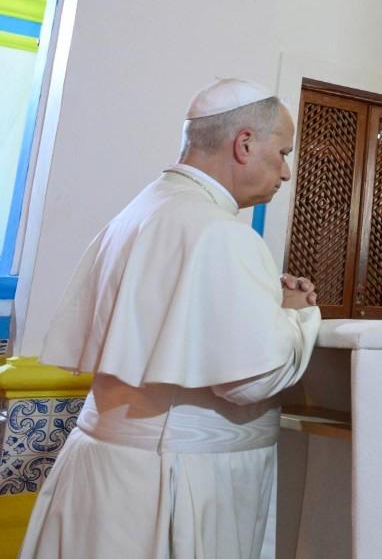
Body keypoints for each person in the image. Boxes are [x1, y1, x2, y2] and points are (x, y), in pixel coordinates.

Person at [20, 78, 321, 559]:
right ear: (244, 143)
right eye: (283, 153)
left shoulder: (136, 213)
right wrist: (297, 314)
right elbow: (251, 379)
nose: (286, 172)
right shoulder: (221, 232)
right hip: (173, 480)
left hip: (99, 467)